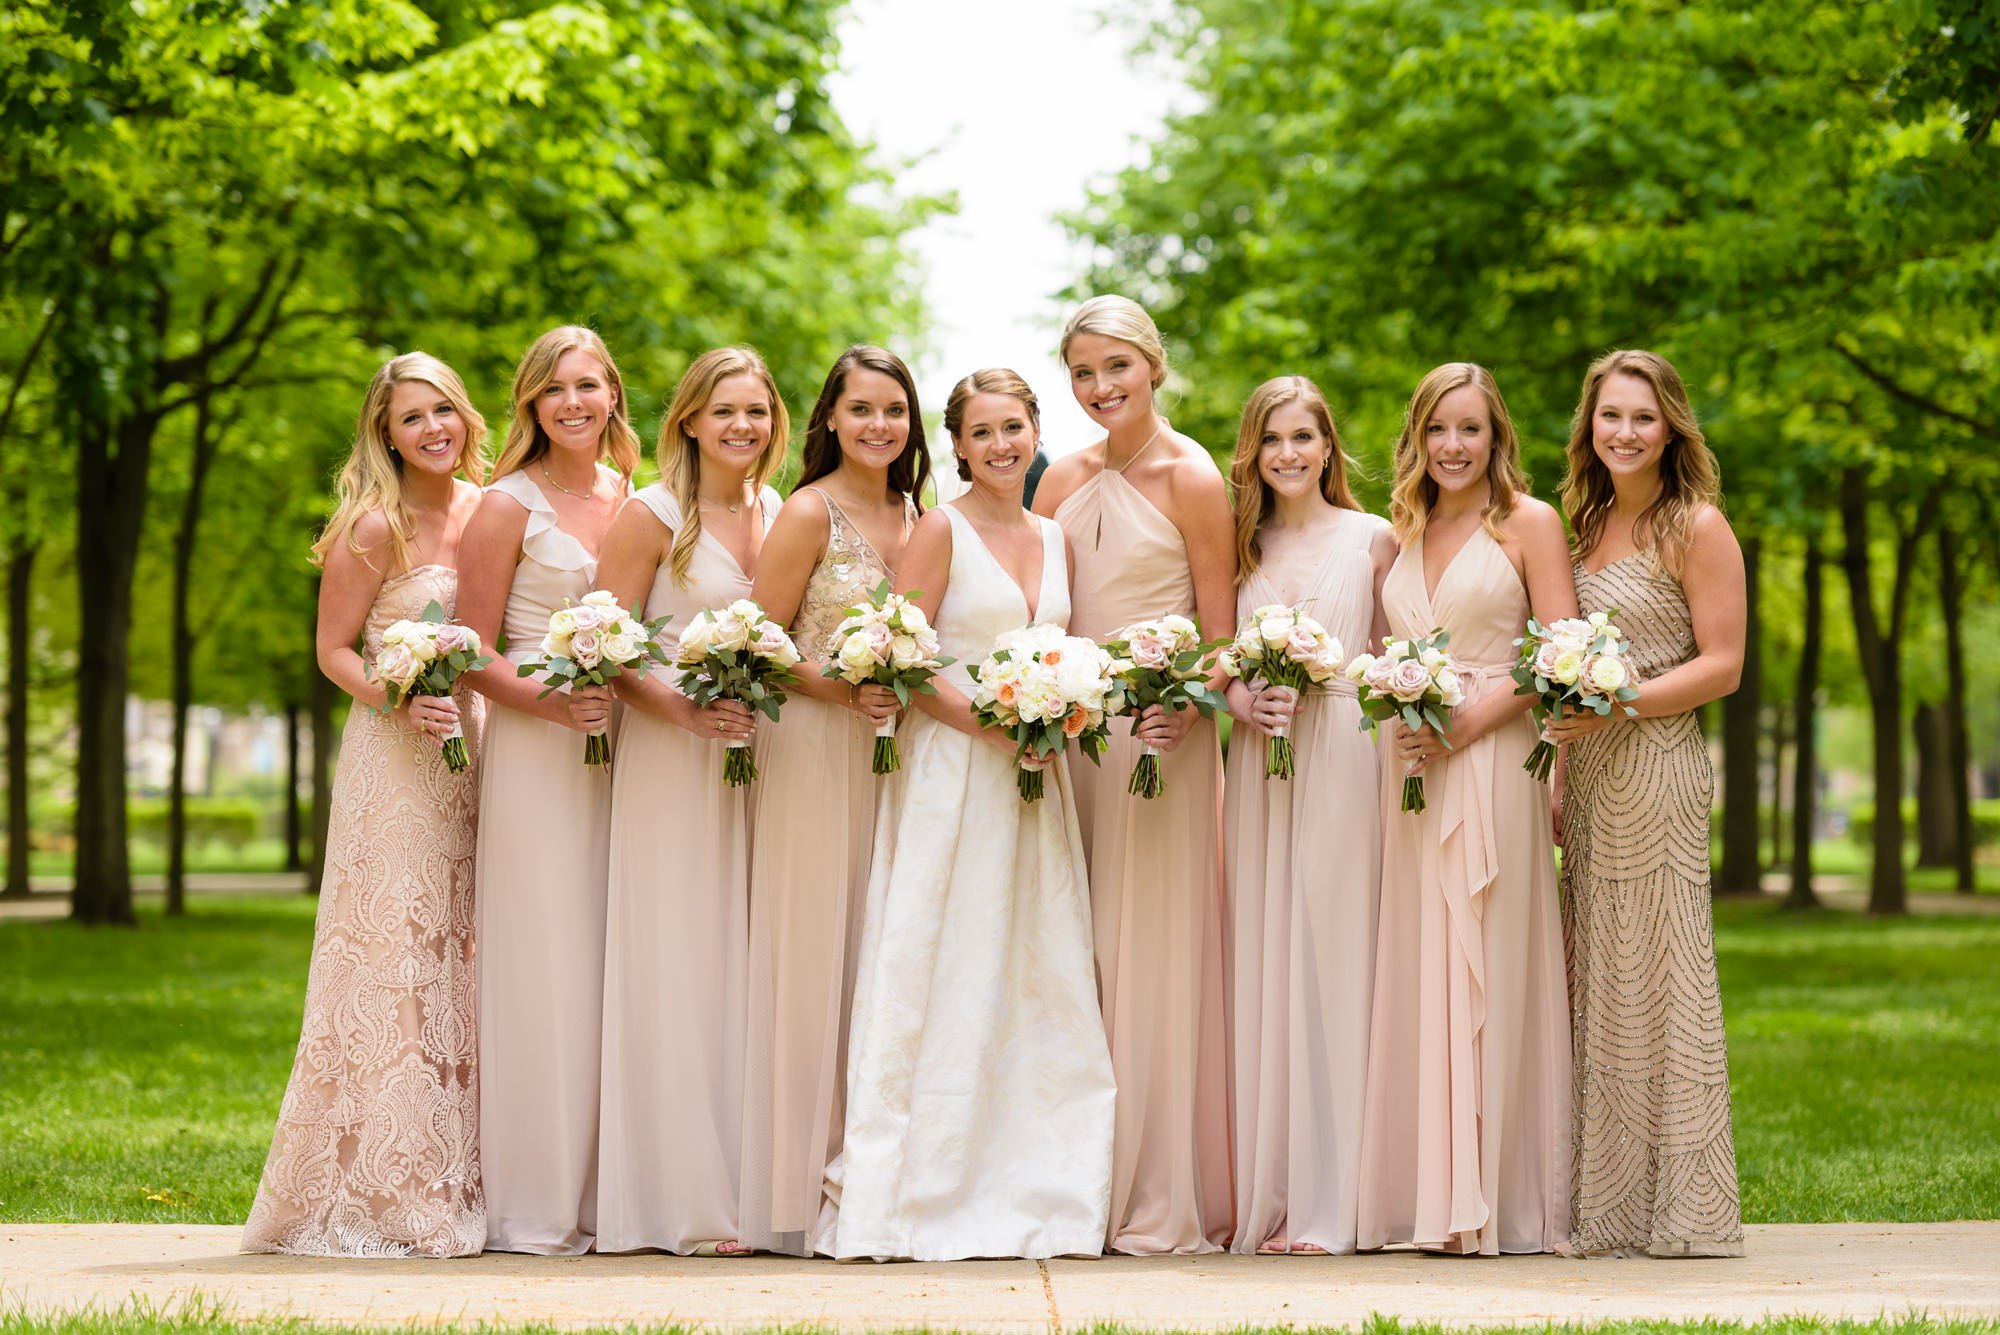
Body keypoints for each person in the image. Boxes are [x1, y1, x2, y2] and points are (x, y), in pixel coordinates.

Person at [832, 369, 1116, 1261]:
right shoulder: (937, 528)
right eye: (983, 431)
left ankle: (1043, 1175)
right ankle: (926, 1183)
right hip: (956, 772)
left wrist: (1059, 710)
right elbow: (904, 662)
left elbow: (1067, 646)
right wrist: (997, 725)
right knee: (950, 960)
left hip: (1037, 777)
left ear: (1038, 431)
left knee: (1039, 965)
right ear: (956, 443)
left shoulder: (1054, 533)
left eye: (1016, 428)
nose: (1002, 445)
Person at [243, 352, 489, 1258]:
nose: (433, 429)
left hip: (484, 747)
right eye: (413, 416)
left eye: (445, 412)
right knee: (398, 955)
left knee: (465, 952)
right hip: (397, 761)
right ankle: (397, 1184)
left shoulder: (487, 507)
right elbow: (332, 648)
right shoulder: (371, 523)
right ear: (385, 431)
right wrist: (399, 693)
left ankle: (473, 1167)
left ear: (466, 418)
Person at [1355, 362, 1576, 1256]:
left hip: (1496, 757)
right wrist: (1401, 713)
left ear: (1497, 437)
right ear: (1418, 435)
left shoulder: (1528, 523)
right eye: (1439, 429)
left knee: (1491, 952)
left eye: (1471, 429)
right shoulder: (1402, 531)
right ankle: (1431, 1195)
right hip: (1410, 766)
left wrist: (1471, 719)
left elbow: (1562, 653)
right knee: (1419, 958)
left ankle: (1497, 1193)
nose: (1453, 446)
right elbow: (1381, 654)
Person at [1034, 295, 1236, 1255]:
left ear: (1154, 364)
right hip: (1070, 737)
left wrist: (1187, 702)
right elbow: (1030, 609)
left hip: (1163, 744)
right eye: (1082, 372)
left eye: (1117, 365)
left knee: (1151, 951)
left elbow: (1223, 632)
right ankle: (1066, 1172)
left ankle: (1151, 1182)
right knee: (1072, 944)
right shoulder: (1055, 480)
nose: (1100, 387)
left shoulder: (1192, 477)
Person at [1546, 349, 1747, 1258]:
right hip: (1586, 777)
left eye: (1643, 416)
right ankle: (1609, 1205)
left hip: (1658, 766)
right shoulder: (1580, 527)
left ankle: (1686, 1209)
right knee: (1597, 971)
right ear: (1589, 425)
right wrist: (1558, 763)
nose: (1624, 432)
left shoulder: (1694, 525)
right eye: (1609, 415)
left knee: (1663, 973)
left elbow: (1723, 665)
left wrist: (1614, 701)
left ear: (1672, 427)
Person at [590, 348, 788, 1256]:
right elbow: (605, 644)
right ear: (690, 422)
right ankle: (685, 1197)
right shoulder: (651, 515)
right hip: (673, 761)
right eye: (725, 411)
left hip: (764, 760)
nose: (741, 426)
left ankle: (755, 1185)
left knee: (751, 963)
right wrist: (683, 710)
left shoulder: (782, 510)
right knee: (681, 957)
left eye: (756, 411)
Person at [740, 345, 930, 1256]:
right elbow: (759, 642)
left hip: (905, 758)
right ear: (830, 419)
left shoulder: (922, 514)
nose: (879, 426)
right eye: (861, 410)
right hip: (817, 749)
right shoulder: (809, 512)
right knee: (814, 950)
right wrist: (843, 691)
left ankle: (871, 1169)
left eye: (894, 410)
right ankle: (792, 1178)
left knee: (884, 953)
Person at [456, 325, 638, 1255]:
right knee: (547, 959)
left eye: (590, 385)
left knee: (617, 958)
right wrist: (552, 704)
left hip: (629, 756)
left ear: (613, 396)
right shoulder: (504, 506)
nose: (574, 402)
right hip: (537, 751)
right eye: (555, 389)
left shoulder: (637, 499)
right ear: (530, 403)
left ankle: (618, 1188)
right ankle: (536, 1196)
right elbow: (470, 648)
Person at [1221, 376, 1396, 1255]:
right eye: (1271, 439)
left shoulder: (1374, 539)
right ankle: (1278, 1190)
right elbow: (1217, 660)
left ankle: (1342, 1198)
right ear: (1251, 452)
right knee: (1266, 961)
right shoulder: (1236, 547)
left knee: (1337, 958)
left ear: (1330, 445)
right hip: (1259, 769)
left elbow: (1402, 654)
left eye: (1303, 436)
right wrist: (1239, 702)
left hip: (1342, 757)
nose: (1287, 453)